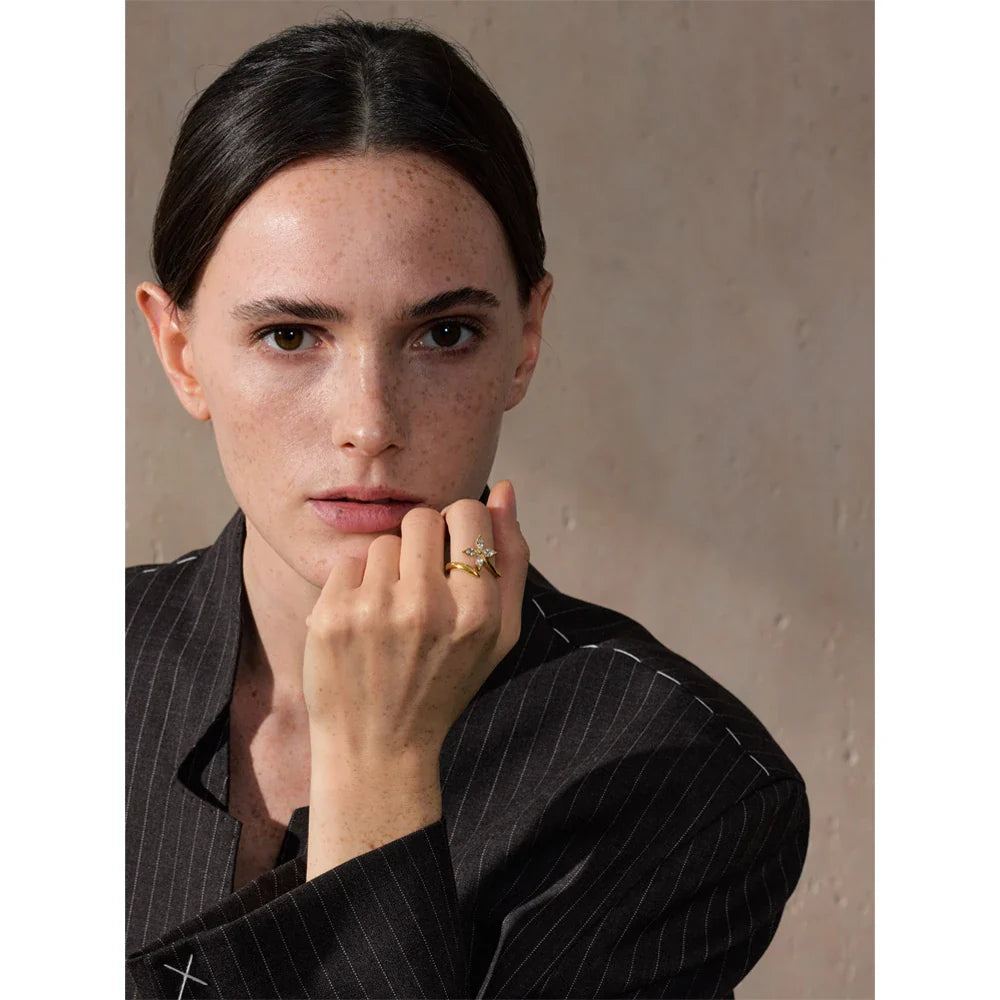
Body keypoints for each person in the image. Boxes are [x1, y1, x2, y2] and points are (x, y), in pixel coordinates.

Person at [126, 15, 808, 999]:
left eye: (443, 333)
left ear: (524, 343)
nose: (369, 424)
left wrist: (379, 765)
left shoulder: (679, 773)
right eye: (290, 336)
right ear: (181, 352)